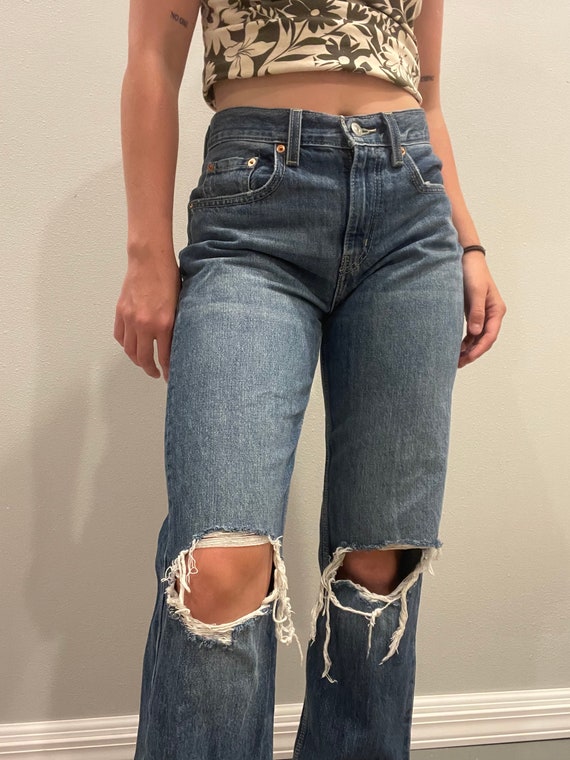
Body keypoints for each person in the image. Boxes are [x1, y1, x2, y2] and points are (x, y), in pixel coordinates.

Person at [114, 0, 507, 757]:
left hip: (411, 213)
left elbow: (425, 93)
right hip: (252, 209)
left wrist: (470, 244)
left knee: (379, 566)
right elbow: (152, 62)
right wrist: (146, 251)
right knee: (218, 566)